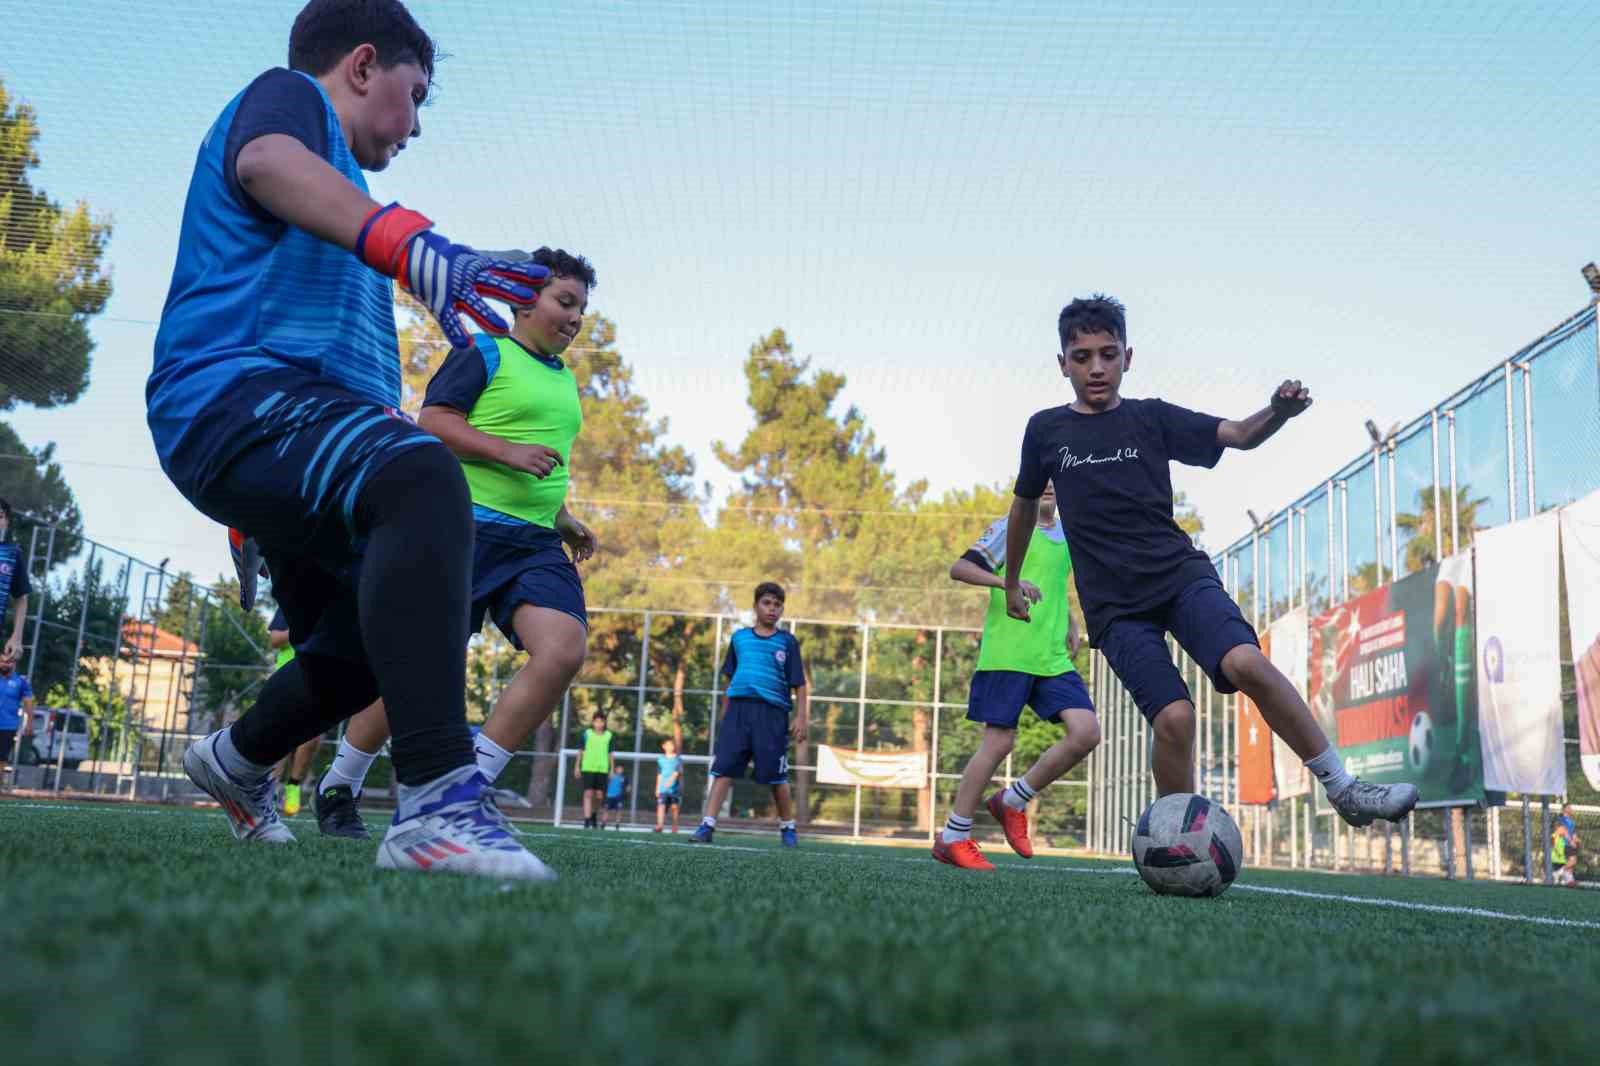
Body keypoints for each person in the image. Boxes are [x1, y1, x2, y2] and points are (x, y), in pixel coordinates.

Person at [152, 0, 555, 879]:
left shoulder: (344, 197)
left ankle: (236, 760)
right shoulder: (288, 96)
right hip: (232, 396)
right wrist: (413, 248)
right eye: (417, 94)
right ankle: (437, 804)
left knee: (383, 637)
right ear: (364, 66)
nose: (416, 124)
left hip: (295, 433)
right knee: (425, 479)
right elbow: (264, 161)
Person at [1003, 295, 1418, 827]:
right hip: (1115, 607)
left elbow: (1240, 435)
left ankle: (1343, 788)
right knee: (1175, 719)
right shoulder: (1045, 430)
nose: (1097, 367)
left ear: (1128, 357)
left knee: (1246, 662)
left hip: (1179, 577)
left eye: (1108, 354)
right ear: (1063, 364)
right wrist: (1011, 583)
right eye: (1082, 357)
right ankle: (1177, 839)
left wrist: (1279, 412)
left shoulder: (1151, 418)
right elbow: (1023, 507)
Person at [314, 248, 599, 847]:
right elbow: (435, 422)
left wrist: (563, 517)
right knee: (419, 669)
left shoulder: (563, 380)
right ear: (524, 299)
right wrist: (506, 452)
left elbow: (544, 458)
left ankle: (466, 791)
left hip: (534, 542)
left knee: (563, 648)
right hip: (462, 528)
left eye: (581, 308)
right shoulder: (482, 351)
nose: (575, 318)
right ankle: (339, 783)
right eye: (564, 302)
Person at [933, 481, 1099, 870]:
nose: (1048, 485)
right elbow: (961, 568)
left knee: (1086, 732)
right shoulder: (1010, 527)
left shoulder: (1067, 535)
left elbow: (1050, 584)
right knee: (999, 742)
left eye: (1055, 477)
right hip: (1009, 653)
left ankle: (1012, 800)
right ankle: (953, 836)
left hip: (1052, 657)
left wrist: (1070, 619)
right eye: (1040, 478)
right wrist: (1008, 583)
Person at [691, 583, 809, 848]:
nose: (772, 609)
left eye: (777, 604)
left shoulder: (787, 642)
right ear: (756, 606)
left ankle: (788, 828)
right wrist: (725, 715)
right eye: (767, 603)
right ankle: (707, 826)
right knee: (723, 769)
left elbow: (799, 684)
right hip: (738, 712)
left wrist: (801, 717)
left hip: (772, 714)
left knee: (776, 776)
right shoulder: (740, 638)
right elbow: (729, 678)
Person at [266, 609, 320, 817]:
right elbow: (275, 640)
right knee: (283, 737)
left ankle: (293, 786)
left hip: (318, 677)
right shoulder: (290, 603)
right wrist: (304, 629)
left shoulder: (333, 603)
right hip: (287, 676)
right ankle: (270, 788)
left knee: (312, 738)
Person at [0, 499, 34, 662]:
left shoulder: (12, 553)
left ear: (6, 522)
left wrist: (16, 637)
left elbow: (21, 597)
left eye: (0, 516)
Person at [0, 652, 35, 785]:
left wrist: (29, 724)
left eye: (8, 662)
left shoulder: (21, 682)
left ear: (14, 664)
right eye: (2, 661)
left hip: (8, 726)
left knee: (1, 757)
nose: (4, 664)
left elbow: (28, 704)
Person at [577, 712, 615, 829]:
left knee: (599, 796)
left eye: (601, 721)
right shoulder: (587, 734)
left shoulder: (608, 735)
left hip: (602, 769)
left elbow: (610, 754)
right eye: (596, 721)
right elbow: (581, 751)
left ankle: (593, 814)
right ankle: (587, 820)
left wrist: (612, 769)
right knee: (588, 793)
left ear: (604, 723)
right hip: (588, 767)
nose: (599, 724)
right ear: (593, 722)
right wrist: (577, 766)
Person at [655, 724, 684, 834]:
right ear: (664, 746)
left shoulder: (678, 759)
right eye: (667, 745)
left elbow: (677, 773)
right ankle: (660, 826)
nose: (669, 747)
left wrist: (670, 782)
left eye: (671, 745)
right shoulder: (660, 759)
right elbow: (659, 775)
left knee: (674, 808)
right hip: (663, 788)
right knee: (661, 806)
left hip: (674, 789)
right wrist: (657, 788)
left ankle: (675, 826)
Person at [1554, 803, 1580, 887]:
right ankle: (1558, 873)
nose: (1571, 809)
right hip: (1564, 843)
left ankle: (1570, 881)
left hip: (1570, 843)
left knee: (1571, 863)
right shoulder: (1561, 819)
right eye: (1569, 808)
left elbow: (1573, 832)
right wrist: (1570, 841)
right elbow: (1563, 831)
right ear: (1564, 809)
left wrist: (1576, 840)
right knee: (1573, 861)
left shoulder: (1571, 821)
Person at [604, 764, 627, 829]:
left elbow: (627, 787)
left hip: (618, 797)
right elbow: (608, 779)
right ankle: (603, 823)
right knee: (606, 809)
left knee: (619, 810)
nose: (620, 770)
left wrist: (626, 792)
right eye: (618, 769)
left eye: (621, 769)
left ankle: (617, 824)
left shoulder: (624, 778)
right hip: (609, 797)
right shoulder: (612, 776)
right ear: (615, 769)